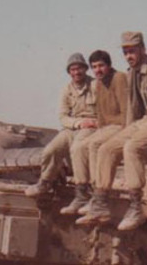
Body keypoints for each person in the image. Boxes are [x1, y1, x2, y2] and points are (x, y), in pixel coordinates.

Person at [77, 31, 147, 231]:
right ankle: (100, 203)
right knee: (106, 148)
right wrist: (129, 129)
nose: (129, 56)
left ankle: (136, 206)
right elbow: (133, 106)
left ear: (143, 49)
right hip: (145, 119)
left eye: (132, 51)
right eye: (125, 52)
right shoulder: (132, 71)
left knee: (132, 148)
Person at [59, 50, 128, 215]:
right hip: (105, 126)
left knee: (94, 144)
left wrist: (127, 131)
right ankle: (82, 193)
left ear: (109, 65)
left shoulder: (119, 78)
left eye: (101, 66)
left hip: (120, 125)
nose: (98, 70)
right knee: (79, 147)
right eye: (94, 67)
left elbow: (127, 110)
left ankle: (98, 196)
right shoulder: (99, 83)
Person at [25, 53, 97, 196]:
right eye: (73, 69)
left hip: (91, 126)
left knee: (77, 149)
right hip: (72, 127)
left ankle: (83, 188)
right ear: (69, 72)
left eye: (79, 68)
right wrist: (77, 123)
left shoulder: (96, 85)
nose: (76, 72)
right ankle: (45, 182)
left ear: (85, 69)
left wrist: (93, 123)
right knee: (51, 150)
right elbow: (63, 117)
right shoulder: (66, 90)